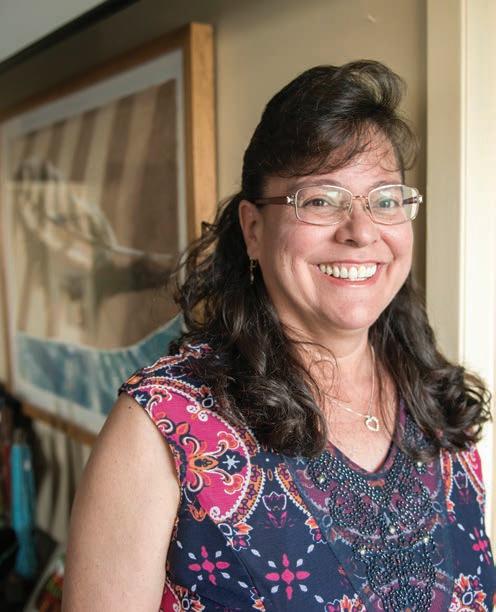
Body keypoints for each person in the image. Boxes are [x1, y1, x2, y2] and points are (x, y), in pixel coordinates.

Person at [63, 61, 496, 611]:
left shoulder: (436, 403)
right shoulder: (164, 423)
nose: (361, 231)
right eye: (320, 200)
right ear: (253, 229)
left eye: (385, 200)